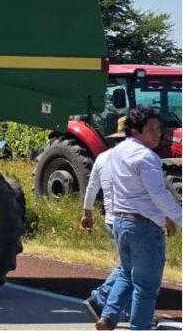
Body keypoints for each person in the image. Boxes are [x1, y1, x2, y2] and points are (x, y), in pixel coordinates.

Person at [97, 107, 182, 331]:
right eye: (150, 129)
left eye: (158, 128)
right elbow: (159, 195)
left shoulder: (116, 152)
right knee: (146, 286)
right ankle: (140, 327)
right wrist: (178, 218)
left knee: (126, 273)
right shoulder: (147, 157)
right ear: (135, 131)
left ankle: (108, 316)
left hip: (121, 221)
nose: (157, 134)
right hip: (144, 226)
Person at [80, 116, 131, 324]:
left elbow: (92, 188)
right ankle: (100, 298)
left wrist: (87, 213)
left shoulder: (102, 158)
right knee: (128, 267)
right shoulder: (131, 158)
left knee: (126, 265)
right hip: (127, 217)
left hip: (110, 218)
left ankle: (120, 308)